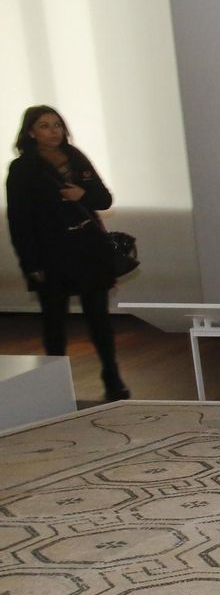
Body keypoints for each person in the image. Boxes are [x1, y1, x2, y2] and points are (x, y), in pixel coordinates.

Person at [5, 106, 128, 401]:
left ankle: (112, 378)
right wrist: (30, 263)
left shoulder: (76, 158)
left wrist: (81, 194)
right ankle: (56, 384)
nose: (53, 131)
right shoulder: (23, 168)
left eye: (57, 125)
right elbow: (19, 220)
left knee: (99, 318)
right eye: (45, 125)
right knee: (54, 323)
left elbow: (104, 199)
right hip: (50, 254)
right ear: (31, 132)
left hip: (88, 250)